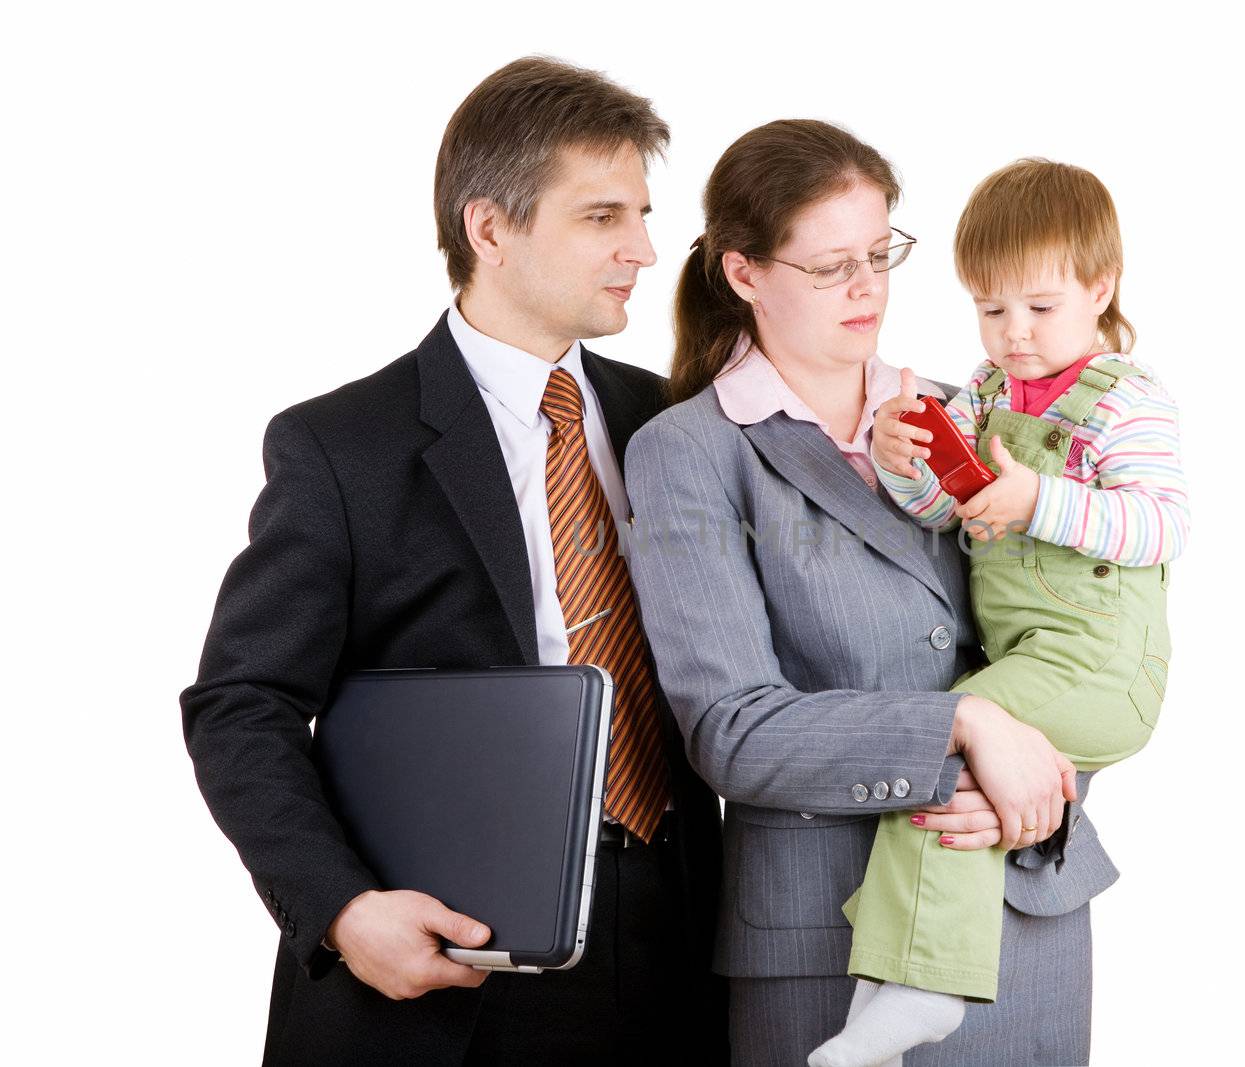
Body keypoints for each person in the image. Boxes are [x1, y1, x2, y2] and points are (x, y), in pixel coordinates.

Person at [179, 56, 727, 1064]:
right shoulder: (343, 447)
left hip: (675, 949)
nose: (644, 250)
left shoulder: (674, 421)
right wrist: (342, 910)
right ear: (490, 228)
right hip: (443, 974)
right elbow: (241, 703)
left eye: (643, 215)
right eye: (603, 217)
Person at [623, 119, 1114, 1067]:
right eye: (829, 266)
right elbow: (734, 726)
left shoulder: (968, 409)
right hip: (824, 941)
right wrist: (960, 735)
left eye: (880, 254)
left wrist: (1048, 776)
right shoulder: (692, 450)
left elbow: (1080, 629)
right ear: (744, 273)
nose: (866, 288)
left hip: (1023, 900)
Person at [810, 158, 1190, 1065]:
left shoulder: (1126, 401)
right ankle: (900, 984)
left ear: (1101, 288)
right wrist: (905, 459)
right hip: (1025, 659)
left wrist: (1040, 502)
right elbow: (948, 511)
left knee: (938, 737)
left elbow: (1163, 525)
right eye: (990, 309)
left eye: (1039, 307)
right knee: (938, 771)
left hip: (1099, 659)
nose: (1012, 333)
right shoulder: (982, 394)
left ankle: (921, 983)